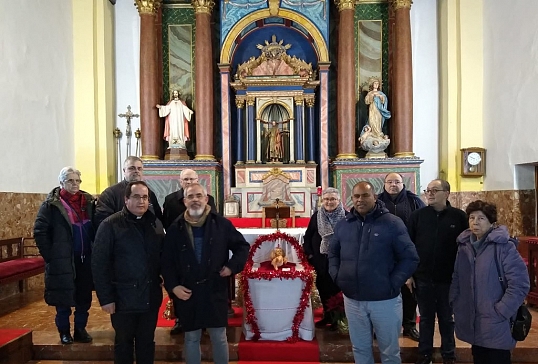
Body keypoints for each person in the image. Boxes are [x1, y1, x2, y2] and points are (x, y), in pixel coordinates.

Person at [329, 181, 419, 364]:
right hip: (353, 300)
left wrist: (392, 283)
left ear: (375, 197)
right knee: (360, 348)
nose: (360, 200)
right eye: (356, 196)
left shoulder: (392, 223)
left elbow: (410, 258)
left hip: (384, 300)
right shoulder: (344, 224)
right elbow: (333, 253)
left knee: (389, 351)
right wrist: (338, 277)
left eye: (365, 195)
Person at [161, 183, 249, 364]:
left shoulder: (222, 224)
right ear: (184, 201)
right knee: (191, 338)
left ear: (206, 199)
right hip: (188, 292)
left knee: (219, 337)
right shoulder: (175, 228)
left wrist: (232, 267)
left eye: (199, 196)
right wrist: (173, 286)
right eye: (191, 197)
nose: (195, 200)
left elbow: (242, 247)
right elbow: (166, 262)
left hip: (214, 289)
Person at [92, 181, 164, 364]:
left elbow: (162, 257)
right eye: (137, 196)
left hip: (149, 296)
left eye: (145, 197)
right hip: (122, 297)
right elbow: (99, 264)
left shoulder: (154, 223)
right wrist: (106, 298)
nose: (142, 201)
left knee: (147, 342)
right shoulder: (110, 225)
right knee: (123, 343)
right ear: (126, 199)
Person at [450, 200, 529, 364]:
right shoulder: (465, 246)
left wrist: (501, 311)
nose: (475, 222)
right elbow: (457, 277)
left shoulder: (504, 247)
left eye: (481, 218)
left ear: (491, 222)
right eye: (472, 218)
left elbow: (520, 284)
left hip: (496, 319)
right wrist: (455, 301)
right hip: (473, 319)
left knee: (497, 358)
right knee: (479, 356)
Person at [407, 179, 468, 364]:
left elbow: (465, 248)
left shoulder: (459, 217)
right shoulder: (417, 216)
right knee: (425, 318)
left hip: (448, 279)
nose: (430, 193)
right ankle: (424, 354)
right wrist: (409, 274)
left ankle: (448, 354)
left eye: (435, 190)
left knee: (446, 319)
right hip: (423, 277)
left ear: (447, 193)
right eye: (428, 190)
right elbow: (408, 247)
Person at [34, 167, 95, 345]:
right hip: (62, 260)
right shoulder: (51, 205)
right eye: (70, 180)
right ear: (61, 183)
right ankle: (64, 332)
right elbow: (40, 231)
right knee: (63, 298)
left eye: (77, 180)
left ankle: (80, 329)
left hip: (85, 259)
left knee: (84, 297)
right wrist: (51, 256)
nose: (75, 184)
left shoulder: (89, 201)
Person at [162, 168, 217, 335]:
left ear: (198, 180)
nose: (189, 182)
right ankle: (179, 319)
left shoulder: (209, 199)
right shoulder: (170, 200)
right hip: (180, 251)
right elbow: (166, 223)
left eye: (192, 179)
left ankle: (205, 320)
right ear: (180, 181)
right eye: (186, 179)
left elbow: (213, 221)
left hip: (203, 249)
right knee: (182, 289)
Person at [377, 172, 425, 342]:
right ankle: (381, 327)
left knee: (409, 292)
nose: (393, 185)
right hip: (383, 255)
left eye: (396, 182)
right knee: (383, 291)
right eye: (389, 182)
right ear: (384, 184)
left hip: (407, 254)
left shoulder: (414, 201)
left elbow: (422, 228)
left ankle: (409, 325)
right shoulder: (377, 202)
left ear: (403, 184)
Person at [303, 187, 345, 330]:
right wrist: (310, 255)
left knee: (337, 289)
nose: (329, 202)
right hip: (320, 259)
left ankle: (338, 319)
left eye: (333, 199)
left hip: (339, 260)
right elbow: (308, 237)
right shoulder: (316, 216)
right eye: (326, 199)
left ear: (339, 201)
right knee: (323, 288)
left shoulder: (347, 216)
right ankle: (327, 315)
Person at [94, 156, 163, 229]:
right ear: (124, 171)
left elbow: (157, 218)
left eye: (139, 169)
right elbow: (102, 222)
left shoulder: (149, 193)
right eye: (132, 168)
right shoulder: (110, 193)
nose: (136, 171)